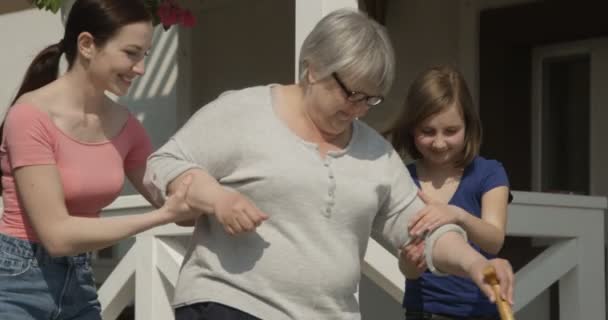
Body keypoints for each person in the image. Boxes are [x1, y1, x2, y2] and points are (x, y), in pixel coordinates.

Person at [144, 9, 514, 320]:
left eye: (369, 99)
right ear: (312, 69)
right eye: (350, 93)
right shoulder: (243, 112)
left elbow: (424, 229)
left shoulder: (376, 154)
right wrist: (216, 199)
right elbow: (163, 164)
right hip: (230, 304)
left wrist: (475, 265)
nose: (357, 109)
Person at [0, 1, 198, 319]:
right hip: (16, 284)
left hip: (79, 280)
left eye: (144, 55)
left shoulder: (125, 124)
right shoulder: (29, 117)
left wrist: (215, 197)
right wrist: (160, 217)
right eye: (131, 53)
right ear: (88, 45)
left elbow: (171, 194)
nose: (141, 69)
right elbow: (57, 236)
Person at [385, 65, 512, 320]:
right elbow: (408, 270)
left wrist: (458, 215)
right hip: (424, 311)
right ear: (412, 129)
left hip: (482, 311)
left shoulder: (488, 173)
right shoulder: (403, 178)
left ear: (468, 126)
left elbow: (494, 239)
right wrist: (409, 264)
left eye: (451, 131)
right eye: (428, 131)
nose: (439, 142)